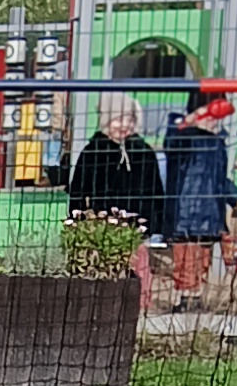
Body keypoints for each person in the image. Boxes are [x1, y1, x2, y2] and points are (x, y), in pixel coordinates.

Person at [65, 96, 165, 303]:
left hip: (136, 226)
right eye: (118, 119)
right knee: (103, 269)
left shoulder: (143, 152)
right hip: (101, 226)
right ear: (106, 120)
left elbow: (155, 191)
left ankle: (138, 305)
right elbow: (78, 190)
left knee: (137, 265)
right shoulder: (93, 152)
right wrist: (77, 219)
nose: (124, 125)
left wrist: (155, 222)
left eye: (130, 119)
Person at [161, 89, 236, 302]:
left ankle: (197, 295)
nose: (213, 121)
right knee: (185, 258)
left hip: (209, 209)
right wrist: (192, 119)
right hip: (184, 208)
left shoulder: (217, 142)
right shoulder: (183, 136)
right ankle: (184, 296)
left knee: (203, 258)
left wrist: (235, 196)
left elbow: (220, 178)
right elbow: (170, 145)